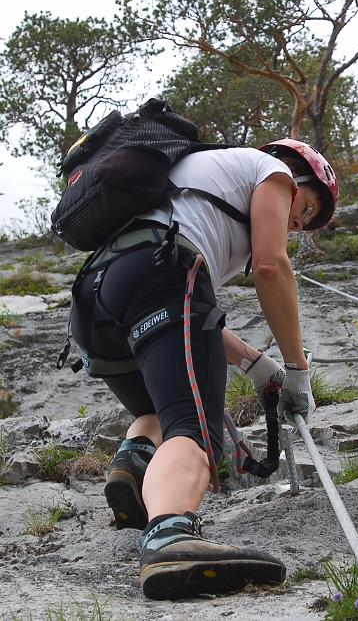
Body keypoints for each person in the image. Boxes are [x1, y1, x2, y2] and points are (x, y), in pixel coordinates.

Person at [69, 138, 338, 601]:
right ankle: (170, 536)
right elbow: (272, 268)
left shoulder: (188, 178)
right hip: (161, 275)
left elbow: (185, 317)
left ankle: (134, 467)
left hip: (96, 296)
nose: (299, 224)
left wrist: (253, 363)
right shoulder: (271, 171)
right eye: (308, 208)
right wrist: (297, 370)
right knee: (192, 429)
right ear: (298, 176)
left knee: (161, 404)